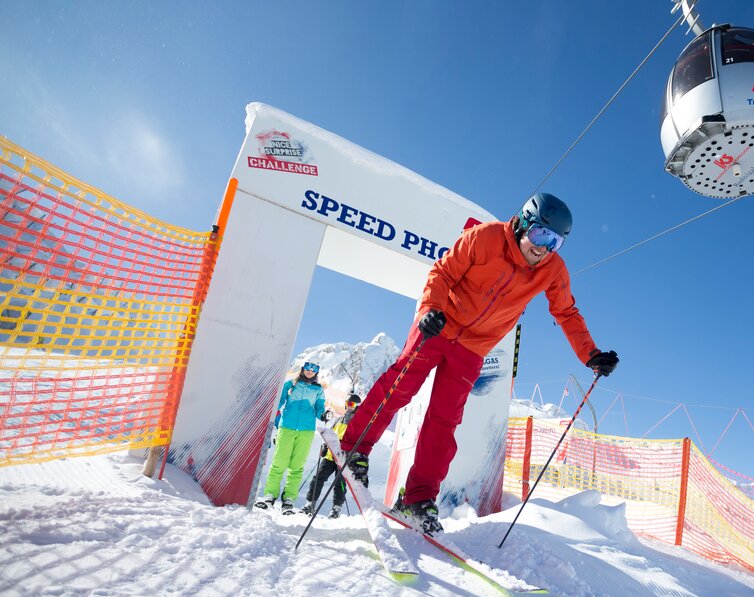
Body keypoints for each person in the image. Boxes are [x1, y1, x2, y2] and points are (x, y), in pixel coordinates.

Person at [339, 192, 619, 534]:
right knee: (400, 386)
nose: (544, 248)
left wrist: (590, 354)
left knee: (444, 420)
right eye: (541, 235)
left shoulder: (552, 270)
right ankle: (355, 446)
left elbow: (565, 312)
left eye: (555, 242)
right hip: (439, 325)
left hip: (473, 348)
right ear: (524, 224)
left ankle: (417, 498)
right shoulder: (484, 237)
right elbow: (442, 273)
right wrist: (430, 310)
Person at [255, 361, 331, 514]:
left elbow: (319, 408)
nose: (310, 372)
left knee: (297, 466)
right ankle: (270, 496)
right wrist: (270, 414)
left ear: (316, 373)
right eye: (308, 369)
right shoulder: (291, 384)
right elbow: (279, 401)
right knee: (279, 463)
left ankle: (288, 499)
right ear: (303, 369)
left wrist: (323, 414)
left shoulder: (318, 390)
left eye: (313, 370)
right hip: (287, 427)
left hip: (306, 430)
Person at [301, 393, 362, 518]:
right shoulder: (340, 419)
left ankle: (336, 508)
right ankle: (310, 504)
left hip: (344, 456)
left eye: (351, 404)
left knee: (340, 483)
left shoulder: (358, 422)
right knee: (318, 477)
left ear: (357, 406)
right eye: (347, 404)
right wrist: (325, 445)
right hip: (330, 455)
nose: (349, 407)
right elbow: (332, 433)